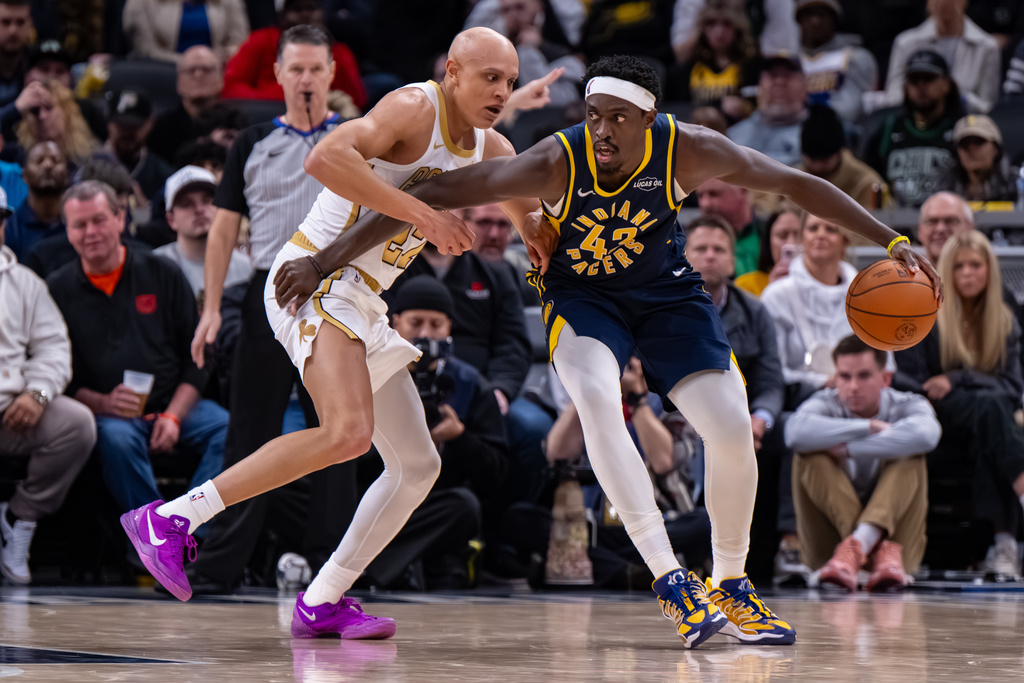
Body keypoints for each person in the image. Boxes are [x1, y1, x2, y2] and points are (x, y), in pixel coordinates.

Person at [273, 54, 939, 648]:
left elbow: (797, 183)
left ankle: (732, 583)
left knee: (733, 426)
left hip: (667, 298)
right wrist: (323, 260)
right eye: (594, 115)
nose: (603, 130)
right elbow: (429, 192)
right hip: (582, 297)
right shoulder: (556, 160)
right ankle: (671, 578)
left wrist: (890, 240)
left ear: (650, 119)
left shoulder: (690, 151)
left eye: (618, 118)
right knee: (595, 397)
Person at [123, 27, 535, 639]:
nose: (502, 91)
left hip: (363, 300)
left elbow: (535, 217)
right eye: (490, 78)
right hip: (312, 279)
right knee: (346, 433)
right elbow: (324, 159)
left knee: (418, 466)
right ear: (451, 71)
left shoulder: (491, 146)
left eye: (511, 81)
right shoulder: (411, 106)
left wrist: (553, 244)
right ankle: (174, 519)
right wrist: (423, 214)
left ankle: (324, 598)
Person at [149, 24, 358, 596]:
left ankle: (332, 566)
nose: (307, 79)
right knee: (250, 432)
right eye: (297, 69)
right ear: (279, 75)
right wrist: (212, 308)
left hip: (339, 290)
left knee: (340, 432)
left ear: (332, 74)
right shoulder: (252, 141)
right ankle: (220, 565)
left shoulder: (355, 137)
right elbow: (222, 233)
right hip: (269, 291)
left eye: (317, 69)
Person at [46, 181, 228, 515]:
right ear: (67, 232)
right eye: (80, 225)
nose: (91, 232)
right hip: (108, 415)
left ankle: (186, 526)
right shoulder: (56, 290)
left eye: (99, 220)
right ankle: (155, 540)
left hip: (176, 406)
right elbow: (53, 371)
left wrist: (173, 415)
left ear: (120, 218)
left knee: (229, 430)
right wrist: (102, 402)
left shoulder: (161, 272)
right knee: (116, 440)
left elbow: (200, 355)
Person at [362, 275, 507, 590]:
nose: (425, 334)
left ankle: (368, 569)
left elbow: (497, 474)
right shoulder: (372, 376)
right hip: (371, 497)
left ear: (449, 327)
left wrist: (460, 438)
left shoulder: (470, 384)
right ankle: (388, 566)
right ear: (395, 322)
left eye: (435, 324)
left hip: (432, 506)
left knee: (464, 506)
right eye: (415, 322)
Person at [895, 230, 1024, 580]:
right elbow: (909, 381)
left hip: (985, 425)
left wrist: (957, 378)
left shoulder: (1005, 317)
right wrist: (959, 384)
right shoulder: (922, 309)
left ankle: (1003, 546)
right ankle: (1017, 501)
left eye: (976, 265)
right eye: (960, 266)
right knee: (993, 409)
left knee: (992, 417)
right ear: (946, 271)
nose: (968, 273)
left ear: (990, 270)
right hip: (936, 418)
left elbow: (1013, 387)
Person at [787, 335, 940, 592]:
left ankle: (857, 547)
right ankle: (867, 548)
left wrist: (849, 449)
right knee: (809, 455)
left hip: (898, 552)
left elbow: (927, 434)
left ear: (886, 378)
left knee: (911, 455)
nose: (853, 386)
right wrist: (867, 426)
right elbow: (793, 432)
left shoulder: (907, 403)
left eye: (864, 376)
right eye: (845, 377)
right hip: (834, 553)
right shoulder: (826, 402)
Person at [0, 184, 95, 584]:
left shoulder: (24, 282)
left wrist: (37, 393)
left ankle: (18, 518)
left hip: (11, 410)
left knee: (77, 424)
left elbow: (54, 346)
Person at [223, 0, 366, 111]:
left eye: (311, 8)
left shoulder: (338, 51)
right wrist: (280, 100)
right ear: (282, 15)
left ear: (322, 13)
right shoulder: (261, 40)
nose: (305, 14)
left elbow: (356, 99)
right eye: (297, 9)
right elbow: (232, 87)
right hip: (265, 115)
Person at [864, 50, 964, 208]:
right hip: (895, 223)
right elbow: (868, 177)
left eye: (929, 78)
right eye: (914, 79)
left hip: (946, 220)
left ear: (946, 84)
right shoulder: (889, 128)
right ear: (905, 86)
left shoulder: (961, 127)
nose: (921, 86)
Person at [881, 0, 1000, 114]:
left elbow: (987, 105)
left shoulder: (987, 47)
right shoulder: (905, 43)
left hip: (967, 124)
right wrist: (919, 92)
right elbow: (893, 97)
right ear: (928, 2)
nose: (945, 2)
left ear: (965, 1)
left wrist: (956, 96)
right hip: (917, 122)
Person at [153, 165, 252, 302]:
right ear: (171, 219)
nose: (199, 209)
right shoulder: (154, 268)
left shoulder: (247, 268)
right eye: (186, 204)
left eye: (207, 200)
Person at [671, 0, 758, 123]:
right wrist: (719, 105)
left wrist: (745, 107)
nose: (719, 31)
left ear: (738, 27)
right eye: (711, 24)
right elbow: (678, 108)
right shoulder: (690, 67)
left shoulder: (750, 65)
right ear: (702, 28)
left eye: (726, 24)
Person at [795, 0, 877, 125]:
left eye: (821, 15)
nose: (815, 21)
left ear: (834, 19)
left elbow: (856, 107)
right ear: (799, 20)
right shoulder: (789, 62)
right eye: (809, 15)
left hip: (843, 131)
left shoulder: (855, 57)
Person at [798, 104, 890, 211]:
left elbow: (884, 222)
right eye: (813, 160)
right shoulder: (791, 179)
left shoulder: (868, 182)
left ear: (838, 153)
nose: (818, 166)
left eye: (824, 160)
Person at [148, 46, 225, 168]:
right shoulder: (159, 129)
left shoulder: (233, 128)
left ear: (221, 79)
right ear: (178, 82)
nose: (198, 75)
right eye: (191, 70)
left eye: (206, 69)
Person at [727, 53, 808, 167]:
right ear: (760, 85)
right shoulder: (732, 137)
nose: (779, 82)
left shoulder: (822, 136)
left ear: (804, 86)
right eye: (772, 75)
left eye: (787, 75)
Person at [101, 90, 175, 206]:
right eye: (122, 126)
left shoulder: (164, 176)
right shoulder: (86, 169)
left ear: (150, 124)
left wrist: (145, 213)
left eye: (135, 126)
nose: (128, 133)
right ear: (108, 123)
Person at [122, 0, 250, 64]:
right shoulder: (141, 3)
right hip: (164, 70)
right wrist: (192, 63)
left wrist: (211, 61)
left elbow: (241, 45)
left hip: (217, 69)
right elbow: (146, 51)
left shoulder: (230, 2)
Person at [3, 140, 66, 262]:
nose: (48, 165)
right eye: (39, 161)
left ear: (66, 173)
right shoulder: (10, 229)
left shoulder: (78, 223)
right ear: (24, 175)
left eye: (55, 160)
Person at [937, 114, 1020, 203]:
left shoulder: (1017, 183)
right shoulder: (944, 187)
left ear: (996, 148)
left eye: (979, 142)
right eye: (964, 144)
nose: (971, 149)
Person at [694, 178, 760, 277]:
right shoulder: (687, 240)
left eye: (714, 194)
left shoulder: (772, 233)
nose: (705, 203)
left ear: (743, 189)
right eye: (700, 196)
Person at [734, 202, 802, 297]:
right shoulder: (745, 286)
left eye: (799, 236)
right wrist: (772, 291)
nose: (790, 243)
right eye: (782, 235)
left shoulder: (823, 284)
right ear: (768, 240)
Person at [0, 0, 31, 107]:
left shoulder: (38, 66)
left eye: (20, 22)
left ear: (30, 25)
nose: (13, 30)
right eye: (5, 22)